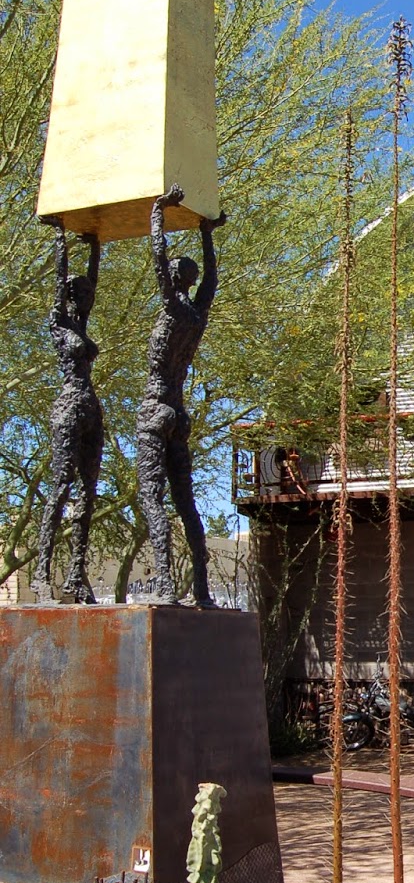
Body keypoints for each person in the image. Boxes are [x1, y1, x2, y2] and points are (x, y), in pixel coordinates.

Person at [136, 184, 225, 606]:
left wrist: (158, 211)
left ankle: (166, 585)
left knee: (151, 497)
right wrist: (207, 234)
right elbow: (212, 280)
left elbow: (158, 255)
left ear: (174, 280)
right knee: (186, 503)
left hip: (156, 408)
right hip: (179, 412)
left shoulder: (172, 307)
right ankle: (202, 590)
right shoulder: (196, 314)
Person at [32, 219, 103, 604]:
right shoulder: (59, 322)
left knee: (89, 492)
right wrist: (60, 236)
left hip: (90, 407)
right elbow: (61, 278)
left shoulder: (83, 323)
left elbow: (93, 277)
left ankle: (77, 573)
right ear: (70, 295)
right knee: (61, 488)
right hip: (68, 406)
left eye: (90, 291)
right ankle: (41, 574)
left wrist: (95, 243)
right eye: (82, 291)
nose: (89, 295)